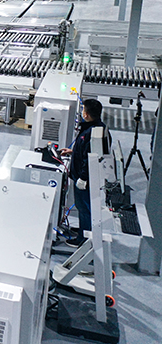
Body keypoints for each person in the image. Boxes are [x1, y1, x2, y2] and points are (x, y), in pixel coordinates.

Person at [60, 99, 111, 247]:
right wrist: (72, 151)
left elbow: (90, 159)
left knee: (84, 207)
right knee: (82, 206)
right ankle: (84, 229)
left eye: (83, 110)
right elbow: (85, 151)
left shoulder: (93, 133)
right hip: (84, 175)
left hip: (86, 179)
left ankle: (83, 239)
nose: (82, 112)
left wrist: (83, 178)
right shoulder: (94, 128)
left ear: (86, 114)